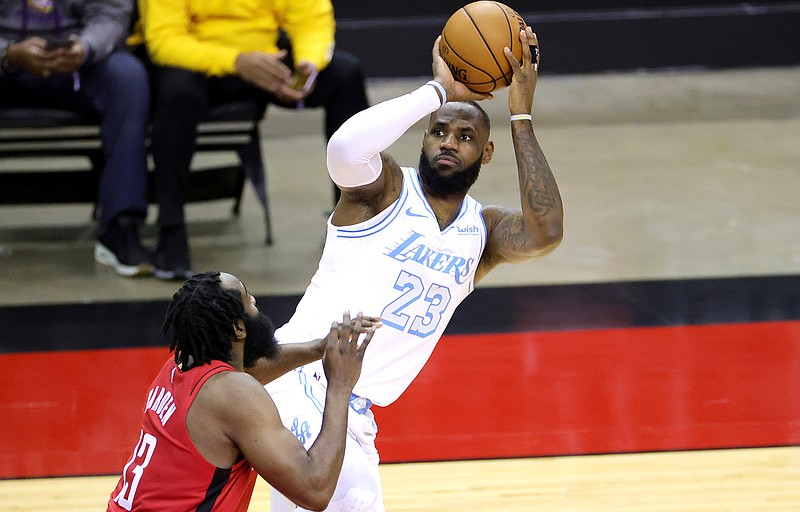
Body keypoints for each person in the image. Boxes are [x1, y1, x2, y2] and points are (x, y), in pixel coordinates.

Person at [264, 27, 563, 511]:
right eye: (439, 131)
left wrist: (521, 116)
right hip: (304, 380)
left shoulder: (481, 233)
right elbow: (343, 150)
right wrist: (438, 92)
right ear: (423, 136)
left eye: (466, 137)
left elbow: (545, 232)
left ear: (485, 154)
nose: (449, 142)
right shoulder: (381, 192)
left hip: (354, 411)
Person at [106, 271, 381, 511]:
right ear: (239, 328)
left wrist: (320, 348)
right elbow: (315, 491)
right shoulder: (234, 396)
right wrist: (340, 386)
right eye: (248, 299)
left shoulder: (181, 366)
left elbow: (251, 371)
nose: (256, 302)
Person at [135, 0, 370, 280]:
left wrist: (308, 63)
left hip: (266, 60)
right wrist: (237, 61)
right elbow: (165, 42)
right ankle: (170, 228)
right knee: (176, 96)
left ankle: (355, 220)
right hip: (197, 62)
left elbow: (310, 18)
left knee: (347, 75)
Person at [0, 0, 152, 277]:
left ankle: (121, 228)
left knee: (128, 78)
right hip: (5, 58)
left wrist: (85, 47)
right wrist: (8, 53)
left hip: (76, 60)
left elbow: (111, 13)